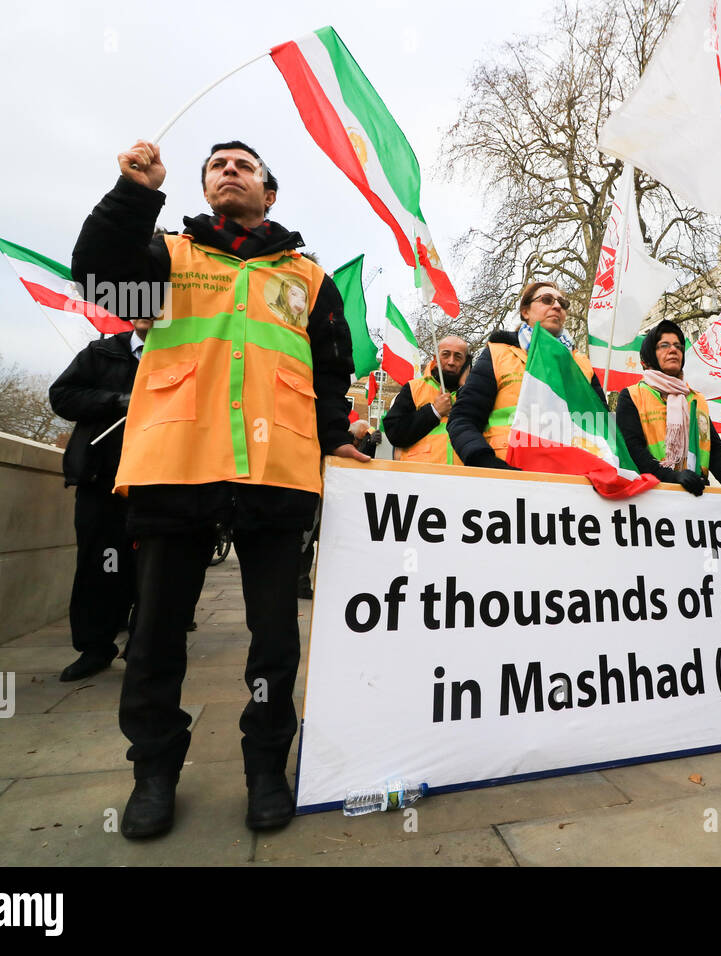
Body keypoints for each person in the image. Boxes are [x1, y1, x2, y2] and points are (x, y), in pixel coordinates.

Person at [72, 138, 369, 839]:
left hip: (277, 471)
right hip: (176, 462)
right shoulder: (166, 255)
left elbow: (331, 368)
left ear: (270, 193)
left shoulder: (309, 279)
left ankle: (267, 768)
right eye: (217, 165)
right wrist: (133, 194)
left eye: (244, 164)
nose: (229, 170)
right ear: (203, 188)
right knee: (153, 634)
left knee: (275, 639)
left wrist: (335, 437)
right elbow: (95, 278)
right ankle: (153, 771)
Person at [49, 319, 151, 682]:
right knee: (98, 565)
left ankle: (143, 650)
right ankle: (95, 646)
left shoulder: (185, 354)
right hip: (102, 480)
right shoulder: (101, 352)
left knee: (153, 572)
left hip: (157, 482)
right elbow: (62, 396)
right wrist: (115, 400)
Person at [447, 281, 605, 468]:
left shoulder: (582, 364)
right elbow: (463, 419)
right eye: (546, 300)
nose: (556, 306)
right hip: (510, 477)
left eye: (562, 304)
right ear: (525, 312)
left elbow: (602, 429)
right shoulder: (498, 354)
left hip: (574, 479)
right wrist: (486, 462)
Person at [614, 319, 721, 510]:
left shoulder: (696, 400)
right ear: (649, 355)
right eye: (664, 345)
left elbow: (715, 451)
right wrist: (672, 477)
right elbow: (633, 451)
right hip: (651, 502)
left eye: (678, 346)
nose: (673, 350)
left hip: (696, 500)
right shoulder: (632, 396)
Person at [384, 336, 469, 464]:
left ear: (466, 362)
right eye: (445, 355)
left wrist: (467, 389)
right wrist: (434, 411)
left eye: (458, 357)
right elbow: (395, 433)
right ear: (435, 359)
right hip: (420, 477)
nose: (451, 362)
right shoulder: (414, 388)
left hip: (462, 478)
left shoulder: (471, 392)